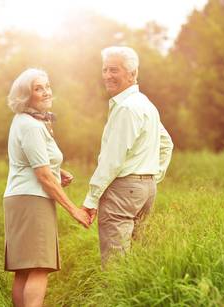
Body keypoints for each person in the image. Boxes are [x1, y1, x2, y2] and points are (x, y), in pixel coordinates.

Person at [3, 68, 90, 307]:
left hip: (20, 197)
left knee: (24, 270)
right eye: (38, 88)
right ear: (25, 96)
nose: (46, 92)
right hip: (33, 200)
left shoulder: (24, 121)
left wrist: (57, 171)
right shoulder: (31, 125)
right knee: (40, 267)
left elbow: (32, 161)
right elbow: (42, 175)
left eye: (47, 86)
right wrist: (75, 210)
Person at [82, 46, 174, 266]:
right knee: (135, 261)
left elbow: (112, 160)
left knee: (115, 264)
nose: (107, 75)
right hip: (145, 190)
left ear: (132, 74)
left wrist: (91, 199)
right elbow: (167, 144)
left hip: (124, 190)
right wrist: (151, 176)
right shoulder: (145, 105)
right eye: (104, 70)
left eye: (114, 70)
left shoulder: (127, 108)